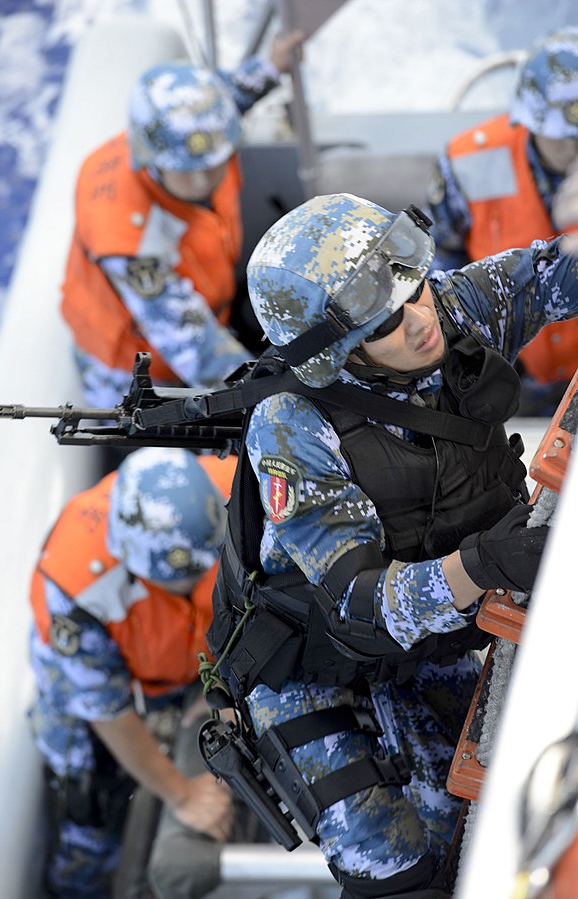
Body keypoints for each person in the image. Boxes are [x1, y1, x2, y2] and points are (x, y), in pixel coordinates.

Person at [205, 192, 578, 899]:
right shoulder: (293, 429)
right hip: (317, 665)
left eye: (414, 289)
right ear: (333, 349)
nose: (420, 321)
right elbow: (363, 602)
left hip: (438, 623)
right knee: (405, 868)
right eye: (387, 321)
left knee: (495, 799)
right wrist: (486, 563)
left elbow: (552, 274)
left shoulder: (439, 308)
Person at [28, 447, 239, 898]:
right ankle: (79, 885)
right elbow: (107, 713)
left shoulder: (232, 490)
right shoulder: (75, 591)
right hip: (88, 682)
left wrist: (222, 684)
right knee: (91, 798)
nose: (191, 581)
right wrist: (181, 793)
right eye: (175, 578)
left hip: (186, 654)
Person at [60, 30, 303, 409]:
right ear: (151, 161)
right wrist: (280, 397)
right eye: (186, 171)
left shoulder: (195, 138)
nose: (204, 180)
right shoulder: (128, 237)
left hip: (207, 307)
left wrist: (268, 68)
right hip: (136, 364)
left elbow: (219, 104)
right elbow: (195, 345)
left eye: (213, 164)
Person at [426, 26, 578, 415]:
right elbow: (441, 258)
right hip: (506, 373)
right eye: (563, 134)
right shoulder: (469, 161)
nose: (575, 145)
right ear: (531, 119)